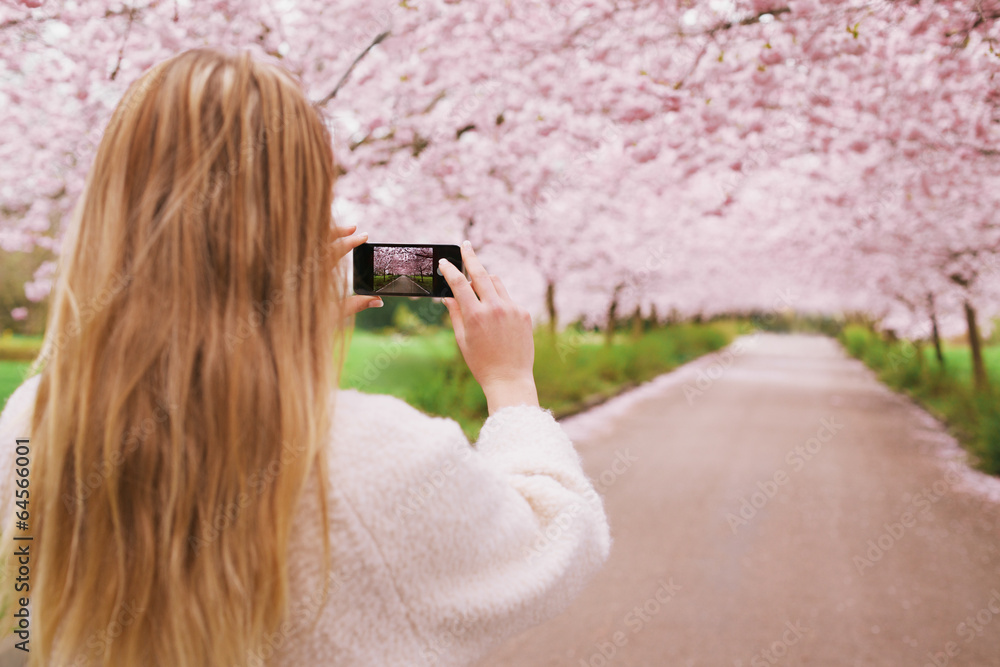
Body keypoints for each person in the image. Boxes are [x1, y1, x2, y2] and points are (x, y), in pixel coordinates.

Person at [0, 48, 610, 667]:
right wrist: (509, 380)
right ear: (296, 216)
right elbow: (559, 538)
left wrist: (269, 337)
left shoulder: (31, 425)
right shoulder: (373, 456)